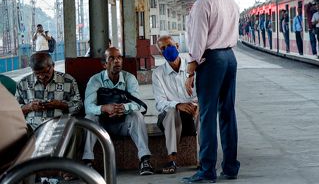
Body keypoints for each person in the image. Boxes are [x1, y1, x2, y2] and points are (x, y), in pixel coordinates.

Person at [182, 0, 240, 184]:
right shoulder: (230, 1)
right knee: (227, 113)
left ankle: (207, 170)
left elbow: (198, 40)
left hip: (211, 60)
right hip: (229, 58)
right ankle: (231, 167)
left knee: (206, 115)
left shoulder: (202, 4)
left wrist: (190, 71)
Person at [83, 47, 154, 176]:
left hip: (123, 124)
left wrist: (123, 108)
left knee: (137, 116)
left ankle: (144, 160)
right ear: (104, 64)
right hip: (102, 125)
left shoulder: (129, 78)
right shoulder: (95, 80)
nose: (117, 61)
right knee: (90, 118)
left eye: (119, 58)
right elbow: (88, 106)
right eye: (112, 58)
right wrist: (104, 108)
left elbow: (137, 105)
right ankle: (87, 161)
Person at [152, 35, 198, 175]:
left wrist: (195, 106)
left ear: (177, 46)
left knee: (203, 111)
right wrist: (177, 105)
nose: (168, 50)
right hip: (171, 119)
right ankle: (171, 159)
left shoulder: (192, 69)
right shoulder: (158, 73)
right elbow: (160, 103)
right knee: (171, 111)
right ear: (160, 53)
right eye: (163, 48)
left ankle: (203, 158)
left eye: (170, 46)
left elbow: (203, 94)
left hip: (191, 115)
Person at [16, 51, 82, 131]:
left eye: (45, 72)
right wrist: (29, 107)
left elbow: (78, 106)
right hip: (31, 127)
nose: (42, 76)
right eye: (37, 74)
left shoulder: (68, 81)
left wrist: (61, 105)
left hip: (59, 126)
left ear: (53, 66)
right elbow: (14, 110)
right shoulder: (23, 83)